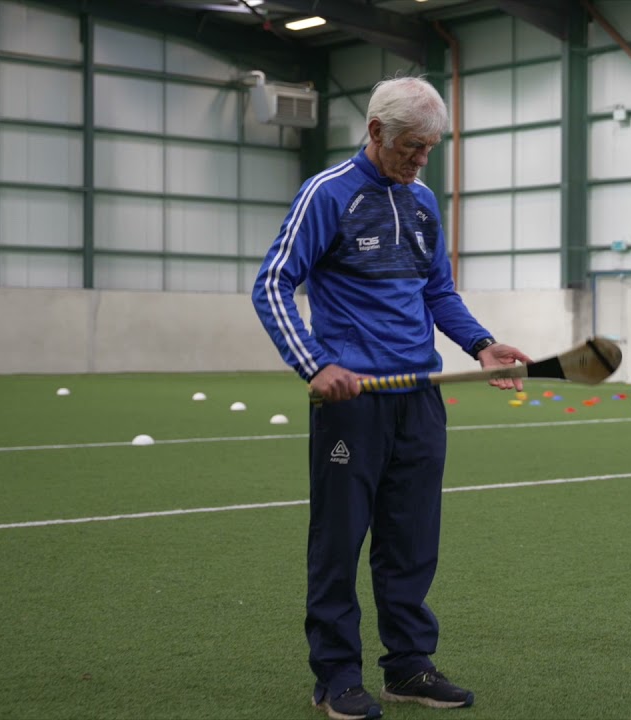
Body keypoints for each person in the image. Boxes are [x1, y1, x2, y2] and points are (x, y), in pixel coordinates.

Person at [252, 76, 532, 720]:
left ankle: (407, 666)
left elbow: (438, 292)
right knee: (339, 539)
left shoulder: (424, 199)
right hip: (352, 401)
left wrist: (481, 345)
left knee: (411, 541)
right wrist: (314, 365)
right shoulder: (327, 194)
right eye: (411, 146)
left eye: (429, 148)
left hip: (421, 397)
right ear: (376, 132)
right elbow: (272, 284)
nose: (419, 160)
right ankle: (335, 677)